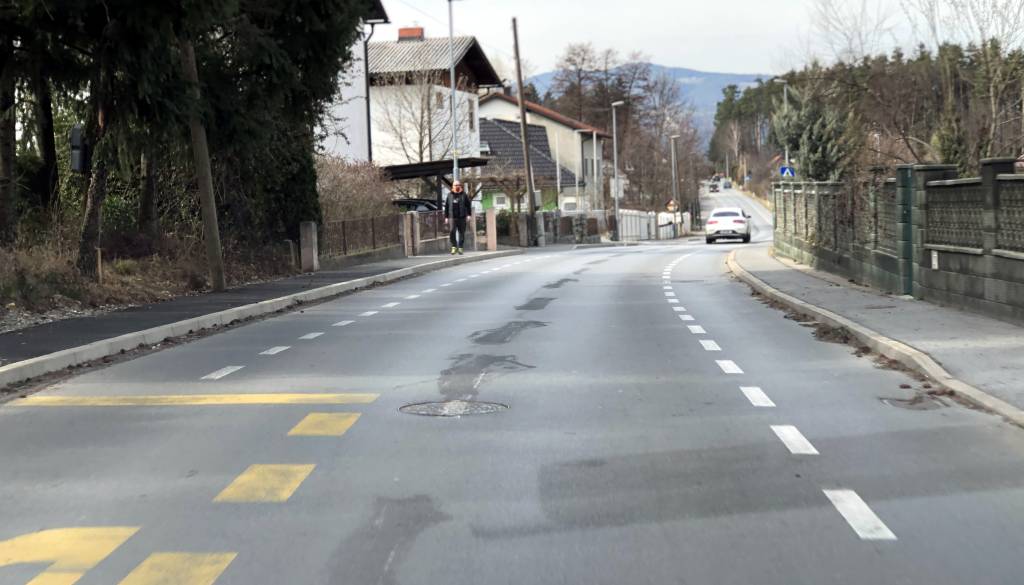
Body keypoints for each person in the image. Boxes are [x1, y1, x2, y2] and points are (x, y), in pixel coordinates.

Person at [444, 180, 472, 255]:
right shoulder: (449, 195)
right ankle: (454, 246)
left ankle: (460, 247)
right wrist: (446, 217)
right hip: (452, 217)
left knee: (461, 233)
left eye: (458, 185)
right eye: (455, 185)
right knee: (452, 232)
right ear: (453, 186)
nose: (457, 186)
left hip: (461, 217)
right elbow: (446, 206)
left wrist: (469, 215)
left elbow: (468, 205)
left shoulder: (464, 195)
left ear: (460, 186)